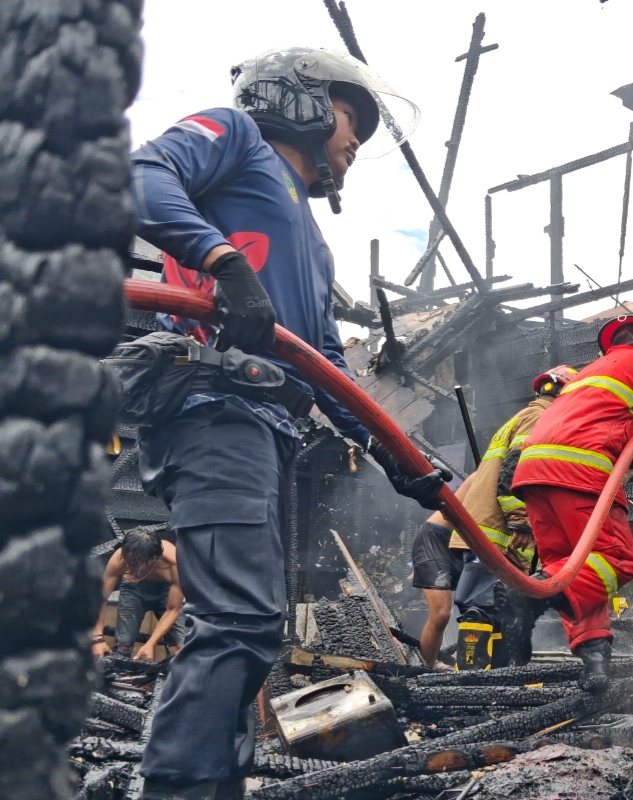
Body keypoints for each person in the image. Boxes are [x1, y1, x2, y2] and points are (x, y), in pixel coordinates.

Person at [129, 47, 448, 800]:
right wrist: (222, 262)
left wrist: (393, 449)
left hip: (262, 425)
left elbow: (325, 361)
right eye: (350, 122)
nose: (353, 146)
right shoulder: (234, 135)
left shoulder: (310, 239)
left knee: (248, 624)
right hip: (214, 405)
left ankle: (215, 785)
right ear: (298, 98)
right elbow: (140, 177)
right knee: (237, 620)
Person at [512, 315, 633, 692]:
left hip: (534, 475)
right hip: (580, 470)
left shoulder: (587, 376)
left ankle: (595, 665)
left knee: (575, 570)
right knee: (615, 560)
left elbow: (604, 421)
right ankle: (527, 597)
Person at [449, 366, 578, 670]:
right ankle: (470, 683)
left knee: (497, 607)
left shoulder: (524, 417)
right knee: (479, 607)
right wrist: (520, 519)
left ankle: (495, 681)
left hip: (495, 529)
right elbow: (516, 466)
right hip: (498, 531)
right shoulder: (539, 418)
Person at [410, 473, 476, 667]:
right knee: (441, 614)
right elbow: (449, 511)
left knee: (482, 611)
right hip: (436, 539)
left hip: (465, 547)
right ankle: (425, 673)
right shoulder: (485, 475)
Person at [91, 528, 187, 661]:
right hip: (134, 589)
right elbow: (101, 598)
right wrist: (97, 638)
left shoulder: (174, 563)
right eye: (128, 561)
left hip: (167, 591)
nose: (129, 568)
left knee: (178, 647)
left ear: (153, 559)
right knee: (123, 646)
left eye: (135, 564)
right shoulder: (119, 559)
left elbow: (172, 609)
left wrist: (150, 644)